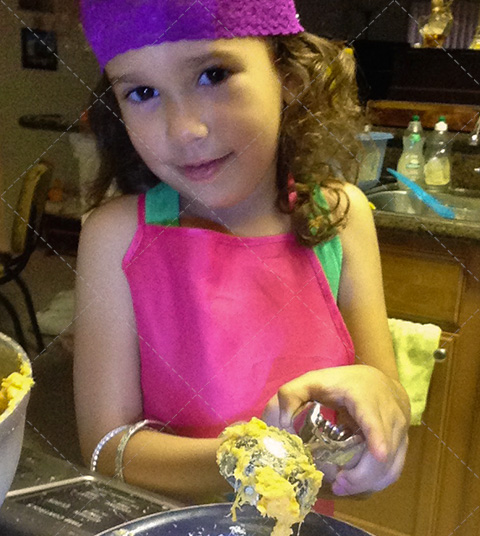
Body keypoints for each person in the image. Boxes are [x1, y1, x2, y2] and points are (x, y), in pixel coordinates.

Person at [74, 0, 410, 507]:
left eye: (213, 74)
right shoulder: (115, 238)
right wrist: (257, 460)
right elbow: (105, 450)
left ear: (288, 76)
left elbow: (386, 408)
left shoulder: (342, 221)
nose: (184, 128)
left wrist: (380, 414)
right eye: (142, 92)